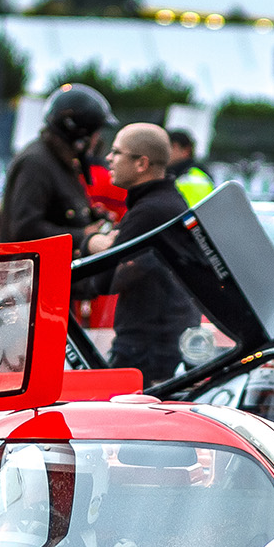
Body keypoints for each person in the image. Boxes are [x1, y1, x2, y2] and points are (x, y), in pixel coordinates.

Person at [79, 123, 200, 385]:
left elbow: (104, 280)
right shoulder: (164, 202)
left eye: (117, 152)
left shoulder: (150, 211)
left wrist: (92, 242)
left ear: (141, 163)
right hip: (158, 344)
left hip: (146, 350)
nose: (108, 158)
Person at [0, 83, 114, 255]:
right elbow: (25, 228)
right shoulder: (36, 163)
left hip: (49, 274)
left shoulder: (60, 161)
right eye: (95, 132)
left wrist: (92, 218)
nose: (97, 139)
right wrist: (83, 235)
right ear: (80, 133)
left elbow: (59, 214)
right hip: (33, 278)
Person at [167, 129, 215, 205]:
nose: (166, 151)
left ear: (186, 150)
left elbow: (195, 214)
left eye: (172, 146)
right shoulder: (176, 175)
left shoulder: (194, 178)